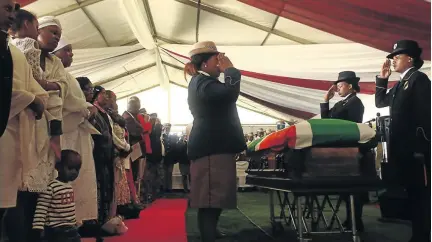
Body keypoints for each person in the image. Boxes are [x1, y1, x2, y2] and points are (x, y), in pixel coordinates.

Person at [185, 41, 246, 242]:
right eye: (216, 59)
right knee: (210, 198)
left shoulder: (203, 82)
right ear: (204, 64)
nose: (220, 63)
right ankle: (208, 236)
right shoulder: (203, 83)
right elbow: (230, 94)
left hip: (214, 146)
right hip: (211, 147)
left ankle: (211, 232)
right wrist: (230, 69)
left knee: (215, 196)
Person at [375, 40, 430, 242]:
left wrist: (421, 147)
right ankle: (419, 233)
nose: (394, 59)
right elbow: (381, 102)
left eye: (398, 56)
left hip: (416, 150)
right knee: (412, 193)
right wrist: (382, 79)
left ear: (411, 58)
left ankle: (422, 235)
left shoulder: (419, 79)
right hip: (403, 149)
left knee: (420, 194)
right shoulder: (400, 84)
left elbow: (425, 115)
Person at [53, 38, 99, 225]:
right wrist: (88, 110)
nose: (71, 54)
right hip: (65, 136)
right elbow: (69, 104)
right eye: (67, 50)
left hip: (77, 135)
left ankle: (75, 222)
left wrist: (87, 110)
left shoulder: (68, 75)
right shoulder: (56, 74)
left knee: (80, 182)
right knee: (66, 181)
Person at [321, 71, 366, 232]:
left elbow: (352, 126)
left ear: (351, 86)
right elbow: (326, 123)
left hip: (350, 148)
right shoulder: (341, 104)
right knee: (345, 189)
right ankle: (351, 218)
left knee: (352, 188)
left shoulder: (355, 103)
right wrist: (325, 102)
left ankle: (356, 220)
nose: (337, 89)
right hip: (341, 148)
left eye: (340, 86)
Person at [32, 150, 82, 242]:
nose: (74, 172)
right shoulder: (51, 186)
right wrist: (38, 227)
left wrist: (74, 221)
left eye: (77, 169)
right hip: (56, 229)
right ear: (58, 167)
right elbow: (42, 207)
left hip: (71, 228)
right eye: (70, 168)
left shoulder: (69, 186)